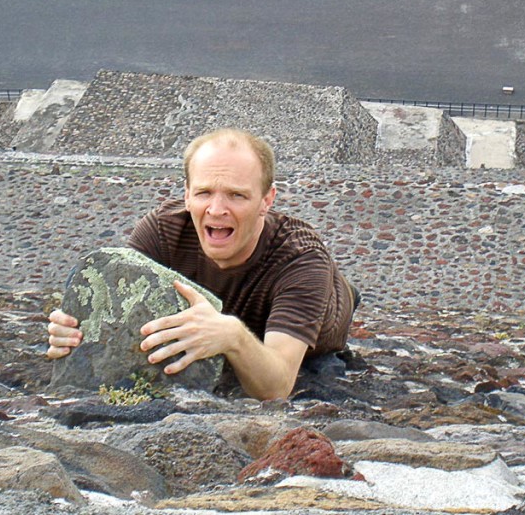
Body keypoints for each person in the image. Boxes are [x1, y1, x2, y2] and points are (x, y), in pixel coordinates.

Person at [47, 129, 358, 401]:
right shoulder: (162, 231)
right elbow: (114, 304)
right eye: (204, 192)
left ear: (267, 199)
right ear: (186, 194)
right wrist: (75, 328)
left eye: (237, 195)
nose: (217, 209)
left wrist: (233, 335)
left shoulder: (300, 258)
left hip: (323, 318)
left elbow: (277, 386)